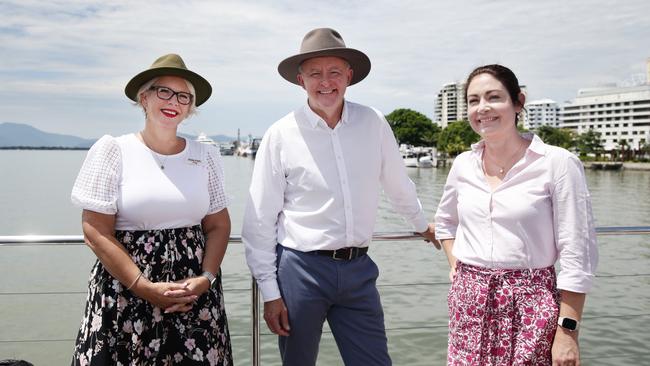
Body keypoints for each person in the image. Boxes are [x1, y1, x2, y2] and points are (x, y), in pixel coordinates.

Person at [242, 28, 439, 366]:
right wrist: (270, 293)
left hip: (359, 270)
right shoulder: (280, 135)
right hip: (300, 270)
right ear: (300, 80)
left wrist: (422, 224)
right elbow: (259, 219)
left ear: (349, 76)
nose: (325, 81)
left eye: (334, 72)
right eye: (315, 73)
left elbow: (396, 183)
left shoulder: (373, 122)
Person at [70, 54, 232, 365]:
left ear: (189, 107)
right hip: (125, 292)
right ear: (143, 97)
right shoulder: (113, 150)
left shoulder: (207, 155)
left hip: (193, 296)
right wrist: (143, 286)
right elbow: (95, 231)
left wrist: (206, 278)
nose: (174, 101)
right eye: (164, 91)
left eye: (183, 96)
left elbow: (219, 225)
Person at [434, 64, 598, 365]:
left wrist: (567, 333)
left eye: (493, 97)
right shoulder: (462, 165)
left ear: (517, 102)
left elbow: (577, 254)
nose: (482, 108)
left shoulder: (557, 163)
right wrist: (457, 266)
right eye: (473, 100)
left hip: (532, 304)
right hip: (469, 302)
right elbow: (445, 222)